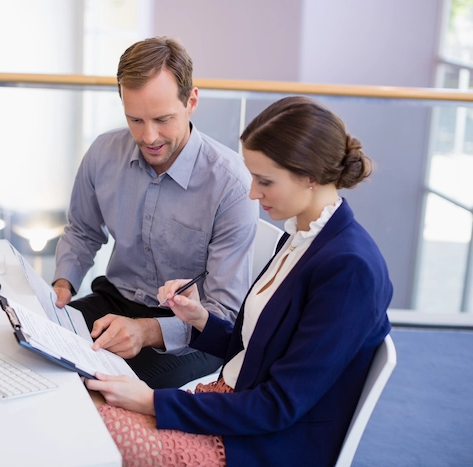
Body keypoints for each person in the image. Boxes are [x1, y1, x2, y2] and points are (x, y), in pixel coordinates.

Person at [85, 96, 393, 466]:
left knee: (85, 422)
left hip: (261, 441)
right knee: (83, 396)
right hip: (229, 405)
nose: (251, 193)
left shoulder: (349, 269)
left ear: (310, 176)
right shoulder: (301, 236)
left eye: (264, 181)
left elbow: (278, 406)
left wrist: (150, 400)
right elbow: (255, 349)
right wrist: (199, 317)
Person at [52, 37, 259, 389]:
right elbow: (83, 231)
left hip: (194, 330)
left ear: (191, 101)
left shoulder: (231, 184)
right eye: (135, 119)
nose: (149, 137)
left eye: (163, 119)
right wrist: (63, 284)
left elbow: (223, 314)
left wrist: (147, 331)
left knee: (93, 385)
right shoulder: (104, 153)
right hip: (115, 300)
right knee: (38, 351)